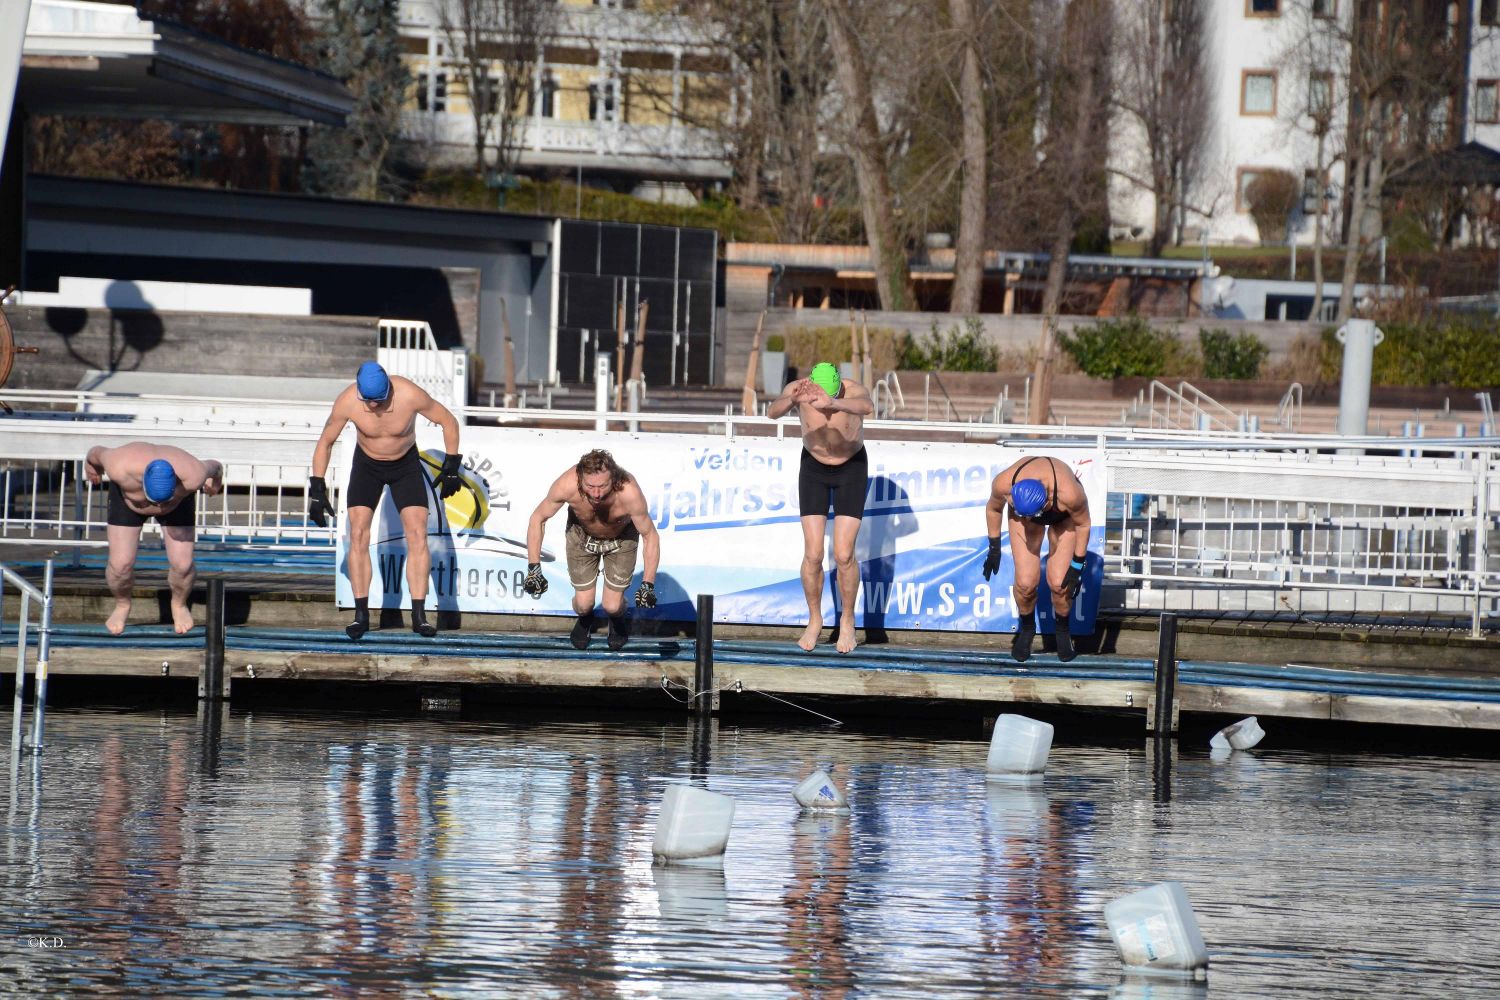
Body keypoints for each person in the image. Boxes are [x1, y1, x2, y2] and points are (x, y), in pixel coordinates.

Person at [308, 361, 463, 641]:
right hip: (367, 465)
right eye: (368, 402)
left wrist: (451, 465)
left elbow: (447, 420)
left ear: (389, 391)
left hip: (405, 465)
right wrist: (317, 487)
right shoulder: (347, 400)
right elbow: (325, 442)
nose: (373, 408)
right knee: (357, 534)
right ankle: (361, 615)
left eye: (379, 402)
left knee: (417, 534)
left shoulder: (409, 394)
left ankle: (419, 615)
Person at [766, 361, 874, 654]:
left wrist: (834, 402)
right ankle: (815, 619)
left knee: (843, 553)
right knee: (813, 554)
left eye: (832, 392)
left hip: (850, 468)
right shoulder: (800, 389)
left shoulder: (852, 390)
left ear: (839, 384)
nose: (823, 404)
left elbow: (867, 406)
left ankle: (848, 620)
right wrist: (792, 399)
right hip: (813, 468)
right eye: (820, 396)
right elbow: (771, 412)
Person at [523, 449, 660, 651]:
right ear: (580, 478)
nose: (596, 494)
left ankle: (617, 618)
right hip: (581, 536)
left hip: (621, 538)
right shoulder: (567, 484)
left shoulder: (628, 491)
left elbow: (650, 536)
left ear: (613, 479)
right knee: (583, 604)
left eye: (603, 486)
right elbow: (537, 518)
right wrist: (534, 568)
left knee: (612, 606)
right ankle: (586, 619)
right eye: (590, 486)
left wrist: (648, 584)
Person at [83, 442, 223, 635]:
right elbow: (95, 453)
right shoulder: (119, 465)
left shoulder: (194, 473)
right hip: (127, 503)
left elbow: (215, 466)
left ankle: (179, 604)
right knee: (120, 565)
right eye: (153, 499)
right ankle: (122, 604)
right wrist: (91, 467)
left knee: (183, 565)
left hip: (178, 506)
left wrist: (216, 481)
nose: (157, 505)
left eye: (163, 500)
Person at [982, 454, 1092, 663]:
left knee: (1060, 584)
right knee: (1025, 583)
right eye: (1023, 515)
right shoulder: (1005, 483)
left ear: (1048, 500)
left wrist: (1077, 564)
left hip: (1063, 517)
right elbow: (993, 508)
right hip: (1028, 507)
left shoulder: (1070, 494)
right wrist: (994, 547)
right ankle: (1028, 628)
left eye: (1032, 515)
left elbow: (1084, 525)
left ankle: (1062, 631)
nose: (1028, 520)